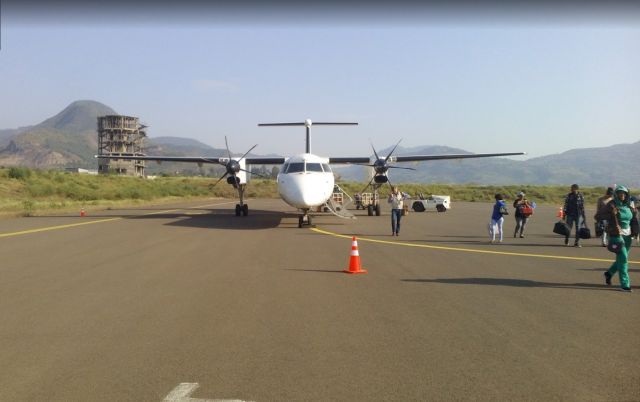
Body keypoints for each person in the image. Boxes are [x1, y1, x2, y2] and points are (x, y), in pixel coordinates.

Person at [603, 185, 636, 292]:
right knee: (624, 260)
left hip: (628, 236)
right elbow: (600, 216)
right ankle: (625, 284)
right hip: (617, 235)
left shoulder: (629, 205)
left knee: (621, 259)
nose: (622, 195)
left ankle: (609, 273)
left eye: (624, 193)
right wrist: (612, 215)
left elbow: (633, 220)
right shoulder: (611, 205)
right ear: (616, 194)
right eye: (620, 193)